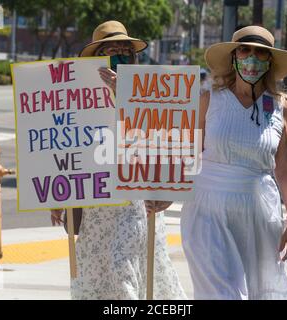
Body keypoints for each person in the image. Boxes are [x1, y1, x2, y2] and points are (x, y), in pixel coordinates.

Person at [50, 21, 186, 300]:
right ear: (98, 55)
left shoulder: (148, 91)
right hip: (96, 203)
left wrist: (125, 94)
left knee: (122, 267)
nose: (121, 55)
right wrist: (58, 196)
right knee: (98, 271)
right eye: (113, 49)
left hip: (135, 199)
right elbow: (67, 144)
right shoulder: (77, 93)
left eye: (126, 50)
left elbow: (165, 136)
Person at [179, 26, 287, 299]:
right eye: (245, 50)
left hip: (258, 214)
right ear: (234, 57)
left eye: (261, 52)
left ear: (269, 60)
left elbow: (286, 169)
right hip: (206, 210)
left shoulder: (281, 106)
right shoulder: (208, 100)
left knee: (260, 293)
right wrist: (163, 193)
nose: (252, 57)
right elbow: (186, 153)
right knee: (224, 294)